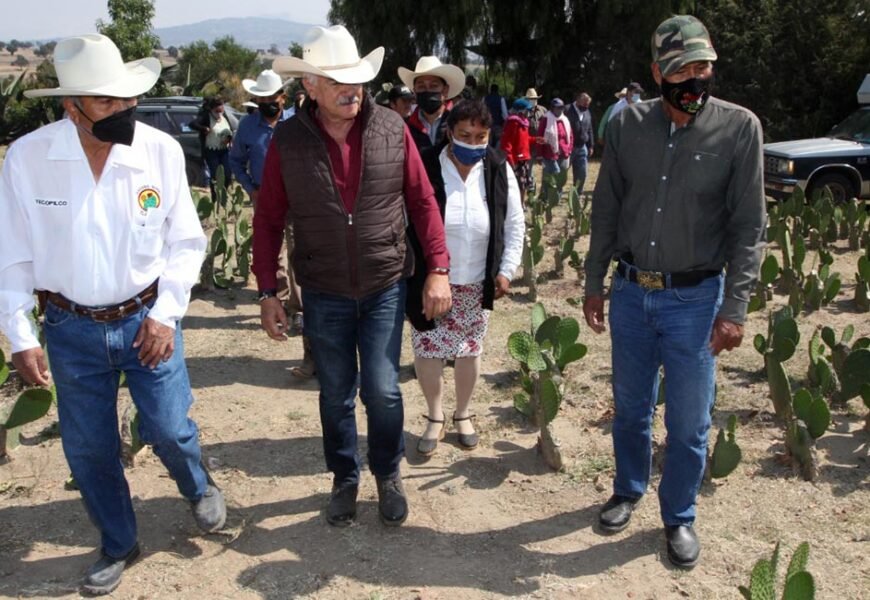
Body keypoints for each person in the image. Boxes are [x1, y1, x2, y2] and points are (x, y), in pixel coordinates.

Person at [0, 34, 226, 595]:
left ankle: (197, 484)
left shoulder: (158, 151)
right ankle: (119, 541)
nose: (124, 112)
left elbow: (186, 242)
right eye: (107, 103)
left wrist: (165, 314)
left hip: (145, 318)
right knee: (89, 448)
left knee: (171, 428)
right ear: (69, 106)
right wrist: (20, 335)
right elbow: (12, 254)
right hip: (70, 329)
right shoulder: (29, 159)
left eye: (127, 100)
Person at [583, 15, 766, 569]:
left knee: (688, 421)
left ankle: (679, 515)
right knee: (632, 409)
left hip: (694, 299)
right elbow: (607, 207)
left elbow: (748, 227)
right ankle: (628, 488)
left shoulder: (739, 129)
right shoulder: (626, 126)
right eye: (681, 68)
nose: (694, 78)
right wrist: (594, 281)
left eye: (702, 66)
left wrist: (734, 309)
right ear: (656, 72)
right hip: (633, 294)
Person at [259, 25, 451, 527]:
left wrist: (439, 269)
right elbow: (269, 218)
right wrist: (267, 290)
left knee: (384, 389)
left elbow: (422, 200)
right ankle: (345, 479)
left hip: (385, 283)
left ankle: (387, 473)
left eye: (358, 80)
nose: (352, 90)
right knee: (336, 393)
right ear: (311, 88)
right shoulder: (287, 140)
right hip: (323, 290)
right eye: (338, 81)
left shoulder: (392, 128)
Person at [408, 99, 524, 455]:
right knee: (427, 348)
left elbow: (514, 222)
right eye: (464, 135)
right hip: (431, 278)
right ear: (449, 132)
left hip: (476, 278)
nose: (473, 143)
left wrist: (506, 269)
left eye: (481, 136)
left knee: (469, 350)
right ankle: (434, 416)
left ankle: (463, 414)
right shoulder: (427, 165)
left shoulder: (497, 167)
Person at [230, 69, 313, 377]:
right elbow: (235, 160)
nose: (267, 103)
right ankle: (275, 298)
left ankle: (298, 307)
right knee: (269, 253)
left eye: (271, 98)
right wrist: (250, 187)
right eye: (261, 99)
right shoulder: (247, 128)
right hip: (264, 198)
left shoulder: (298, 123)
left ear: (282, 97)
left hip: (297, 199)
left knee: (297, 253)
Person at [398, 56, 466, 155]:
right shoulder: (405, 129)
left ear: (445, 90)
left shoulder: (458, 125)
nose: (427, 90)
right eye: (421, 86)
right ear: (415, 91)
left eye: (434, 86)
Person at [189, 95, 237, 198]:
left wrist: (229, 139)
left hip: (224, 150)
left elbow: (230, 129)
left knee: (227, 173)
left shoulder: (224, 116)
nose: (219, 114)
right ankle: (215, 196)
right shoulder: (206, 117)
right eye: (217, 111)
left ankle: (223, 193)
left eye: (221, 110)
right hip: (211, 151)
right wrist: (204, 128)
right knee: (215, 175)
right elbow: (192, 124)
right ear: (211, 109)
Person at [535, 97, 573, 198]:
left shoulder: (565, 120)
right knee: (550, 176)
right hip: (549, 154)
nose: (560, 110)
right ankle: (545, 197)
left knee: (561, 178)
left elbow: (570, 136)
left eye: (561, 108)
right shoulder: (546, 119)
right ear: (552, 108)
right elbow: (539, 137)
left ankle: (557, 197)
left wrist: (569, 150)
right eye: (557, 108)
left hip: (564, 153)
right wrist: (539, 154)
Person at [500, 97, 534, 203]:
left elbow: (524, 139)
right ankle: (516, 205)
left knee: (523, 185)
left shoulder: (524, 123)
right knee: (517, 185)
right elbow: (507, 144)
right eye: (528, 110)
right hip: (516, 160)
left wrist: (536, 139)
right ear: (521, 110)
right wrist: (511, 162)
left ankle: (521, 204)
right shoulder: (513, 123)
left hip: (524, 157)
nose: (529, 113)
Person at [566, 92, 594, 195]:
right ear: (578, 101)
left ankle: (576, 194)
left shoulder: (587, 112)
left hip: (582, 147)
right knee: (562, 172)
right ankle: (555, 194)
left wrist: (591, 145)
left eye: (588, 105)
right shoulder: (567, 110)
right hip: (568, 147)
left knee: (582, 173)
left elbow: (590, 129)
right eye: (584, 104)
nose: (586, 106)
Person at [597, 87, 626, 153]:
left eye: (624, 96)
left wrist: (600, 136)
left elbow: (603, 122)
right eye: (622, 96)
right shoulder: (612, 107)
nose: (623, 97)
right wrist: (600, 136)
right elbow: (603, 122)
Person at [483, 83, 508, 147]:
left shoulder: (485, 98)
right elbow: (505, 114)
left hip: (487, 125)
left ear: (490, 90)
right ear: (497, 90)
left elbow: (481, 111)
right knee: (498, 144)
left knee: (488, 145)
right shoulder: (501, 99)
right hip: (498, 125)